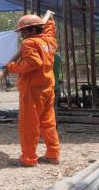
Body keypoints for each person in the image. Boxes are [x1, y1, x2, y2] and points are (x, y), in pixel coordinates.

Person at [6, 11, 60, 166]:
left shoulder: (29, 43)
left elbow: (33, 63)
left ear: (33, 30)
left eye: (23, 31)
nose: (22, 34)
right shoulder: (49, 40)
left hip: (32, 90)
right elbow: (50, 29)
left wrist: (12, 67)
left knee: (28, 125)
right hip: (47, 87)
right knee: (48, 122)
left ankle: (28, 158)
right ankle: (53, 154)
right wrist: (50, 19)